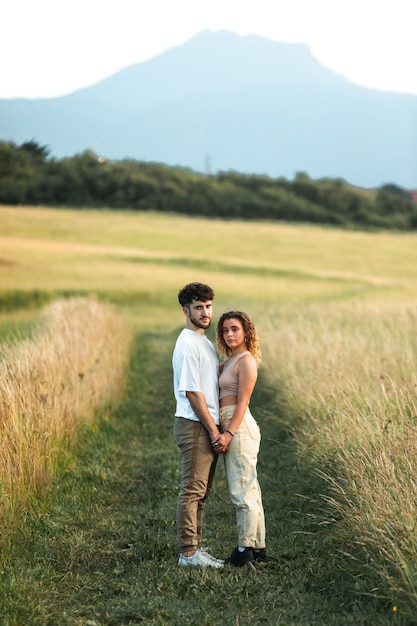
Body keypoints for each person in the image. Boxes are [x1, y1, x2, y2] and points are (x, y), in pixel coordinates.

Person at [172, 282, 224, 568]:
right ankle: (188, 553)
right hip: (195, 425)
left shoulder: (203, 341)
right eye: (198, 307)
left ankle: (195, 548)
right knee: (192, 490)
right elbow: (192, 392)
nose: (205, 312)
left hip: (204, 424)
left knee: (201, 492)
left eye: (208, 306)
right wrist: (214, 430)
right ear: (186, 310)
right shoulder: (188, 344)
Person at [213, 311, 267, 567]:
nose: (229, 334)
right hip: (234, 422)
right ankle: (257, 547)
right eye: (225, 330)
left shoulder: (246, 361)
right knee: (251, 488)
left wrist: (228, 433)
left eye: (234, 329)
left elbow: (242, 403)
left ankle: (244, 549)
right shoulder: (231, 360)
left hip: (239, 425)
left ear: (246, 331)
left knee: (242, 490)